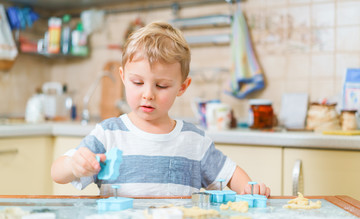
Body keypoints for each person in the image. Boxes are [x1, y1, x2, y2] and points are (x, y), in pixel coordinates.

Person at [51, 21, 270, 197]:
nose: (148, 94)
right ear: (123, 78)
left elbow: (230, 173)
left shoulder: (193, 140)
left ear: (182, 87)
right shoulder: (108, 134)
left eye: (161, 85)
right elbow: (57, 172)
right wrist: (74, 165)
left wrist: (250, 188)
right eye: (137, 83)